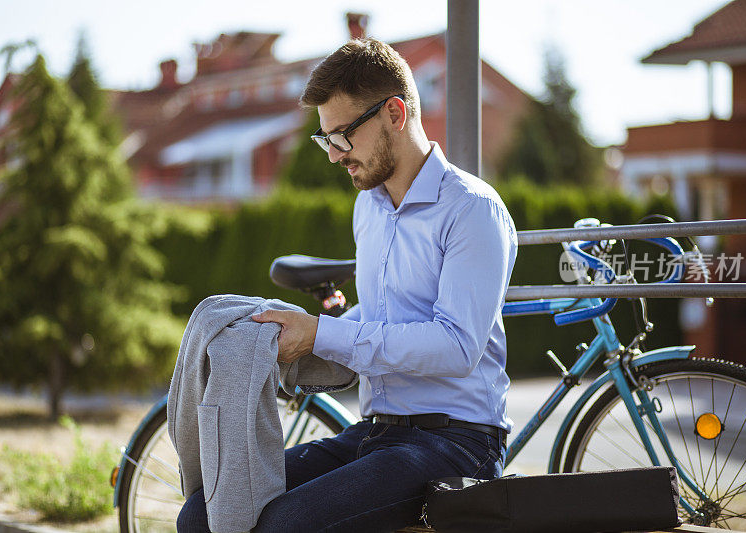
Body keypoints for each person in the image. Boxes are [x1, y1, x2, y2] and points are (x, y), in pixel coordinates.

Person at [177, 37, 517, 533]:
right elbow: (382, 320)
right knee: (204, 511)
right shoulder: (369, 208)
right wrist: (278, 336)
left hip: (458, 444)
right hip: (375, 434)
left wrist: (320, 333)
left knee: (284, 525)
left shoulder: (472, 210)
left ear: (395, 114)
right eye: (326, 139)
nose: (334, 155)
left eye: (343, 136)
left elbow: (456, 346)